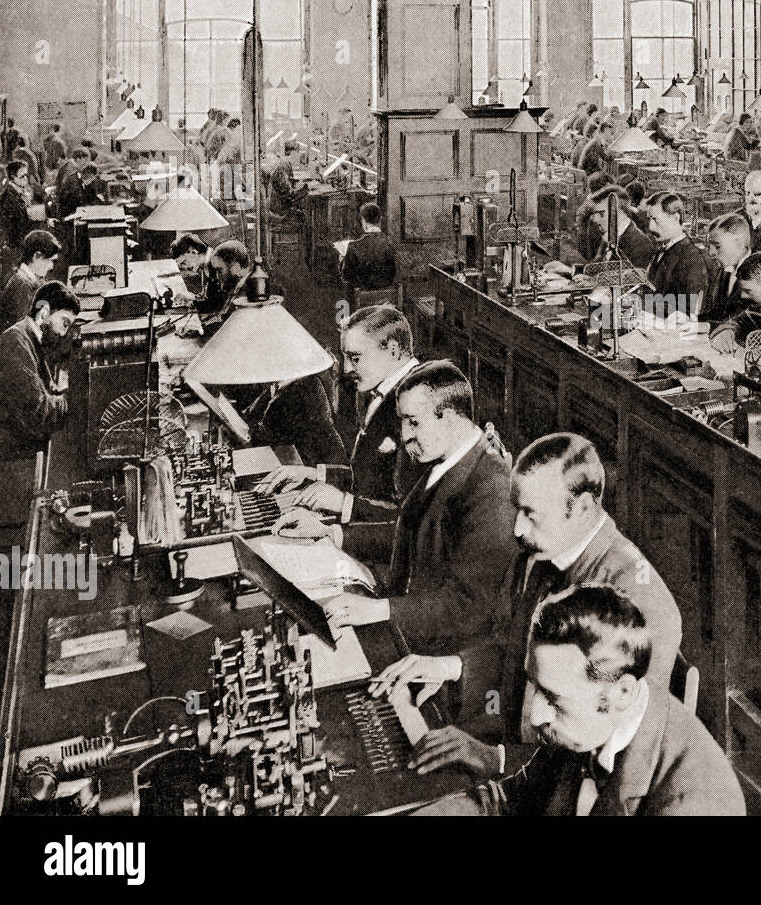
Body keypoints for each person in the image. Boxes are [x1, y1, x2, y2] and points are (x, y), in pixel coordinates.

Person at [373, 433, 683, 773]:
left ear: (581, 508)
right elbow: (515, 647)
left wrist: (499, 759)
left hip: (545, 772)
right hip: (516, 739)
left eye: (531, 514)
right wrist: (450, 666)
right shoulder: (545, 554)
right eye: (516, 509)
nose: (518, 529)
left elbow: (609, 756)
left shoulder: (638, 601)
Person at [411, 585, 744, 816]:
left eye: (554, 700)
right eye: (535, 688)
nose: (536, 714)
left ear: (622, 694)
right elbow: (509, 801)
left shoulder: (697, 802)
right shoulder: (587, 717)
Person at [279, 361, 515, 655]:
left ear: (451, 418)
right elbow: (413, 534)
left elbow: (468, 606)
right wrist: (333, 534)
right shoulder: (446, 458)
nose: (404, 435)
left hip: (435, 655)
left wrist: (381, 610)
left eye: (413, 422)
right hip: (405, 623)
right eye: (402, 421)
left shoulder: (491, 486)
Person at [259, 305, 421, 523]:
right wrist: (314, 474)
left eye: (355, 358)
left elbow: (412, 520)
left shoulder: (418, 405)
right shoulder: (387, 392)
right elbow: (371, 479)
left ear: (392, 350)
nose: (346, 369)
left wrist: (343, 503)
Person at [0, 281, 77, 467]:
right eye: (64, 323)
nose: (64, 333)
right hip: (8, 461)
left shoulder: (27, 337)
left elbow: (43, 389)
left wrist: (59, 393)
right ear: (44, 312)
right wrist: (72, 398)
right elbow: (38, 412)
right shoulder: (14, 342)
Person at [642, 192, 707, 319]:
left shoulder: (692, 258)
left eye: (655, 220)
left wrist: (641, 304)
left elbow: (687, 310)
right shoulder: (661, 250)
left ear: (676, 218)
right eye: (649, 219)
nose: (651, 227)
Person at [0, 230, 61, 336]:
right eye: (50, 260)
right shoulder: (21, 285)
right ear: (37, 256)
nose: (51, 266)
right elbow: (24, 335)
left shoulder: (29, 278)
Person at [702, 212, 753, 325]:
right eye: (709, 246)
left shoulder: (754, 274)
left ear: (739, 243)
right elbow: (718, 312)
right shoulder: (725, 269)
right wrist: (690, 320)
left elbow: (740, 322)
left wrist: (700, 326)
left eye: (717, 246)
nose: (711, 253)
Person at [585, 184, 654, 268]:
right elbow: (596, 268)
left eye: (601, 214)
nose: (595, 219)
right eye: (594, 214)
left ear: (618, 213)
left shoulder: (641, 246)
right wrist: (572, 270)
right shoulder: (610, 235)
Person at [195, 239, 253, 330]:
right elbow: (224, 317)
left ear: (235, 267)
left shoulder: (247, 289)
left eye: (220, 270)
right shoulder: (239, 284)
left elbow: (229, 326)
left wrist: (199, 329)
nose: (217, 276)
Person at [341, 202, 397, 292]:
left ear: (362, 220)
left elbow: (346, 277)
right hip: (387, 299)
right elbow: (393, 274)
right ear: (380, 219)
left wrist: (342, 261)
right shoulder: (390, 244)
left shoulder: (353, 246)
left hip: (362, 300)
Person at [0, 160, 34, 251]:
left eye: (26, 175)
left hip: (21, 238)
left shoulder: (17, 191)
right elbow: (21, 222)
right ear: (13, 177)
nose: (26, 179)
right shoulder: (8, 195)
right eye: (22, 176)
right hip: (16, 244)